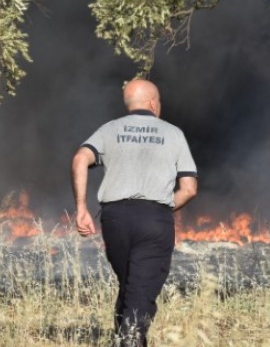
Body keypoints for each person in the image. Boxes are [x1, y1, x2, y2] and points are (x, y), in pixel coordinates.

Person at [71, 78, 198, 346]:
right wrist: (162, 208)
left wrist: (81, 207)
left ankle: (124, 337)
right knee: (140, 293)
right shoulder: (173, 133)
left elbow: (80, 158)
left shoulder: (109, 130)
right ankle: (129, 340)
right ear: (153, 103)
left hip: (115, 219)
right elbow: (189, 188)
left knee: (131, 285)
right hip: (154, 219)